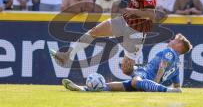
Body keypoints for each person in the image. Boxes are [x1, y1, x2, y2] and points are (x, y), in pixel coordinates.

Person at [50, 0, 165, 79]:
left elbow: (151, 14)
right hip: (125, 20)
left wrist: (133, 11)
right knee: (95, 31)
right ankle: (68, 55)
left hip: (137, 30)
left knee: (126, 70)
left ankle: (146, 75)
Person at [62, 33, 192, 93]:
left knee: (134, 80)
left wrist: (157, 85)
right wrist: (175, 89)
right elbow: (177, 84)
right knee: (114, 86)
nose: (171, 40)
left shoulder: (170, 52)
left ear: (179, 45)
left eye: (175, 40)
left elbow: (162, 66)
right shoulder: (177, 66)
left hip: (145, 78)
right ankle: (83, 89)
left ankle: (164, 90)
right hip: (145, 80)